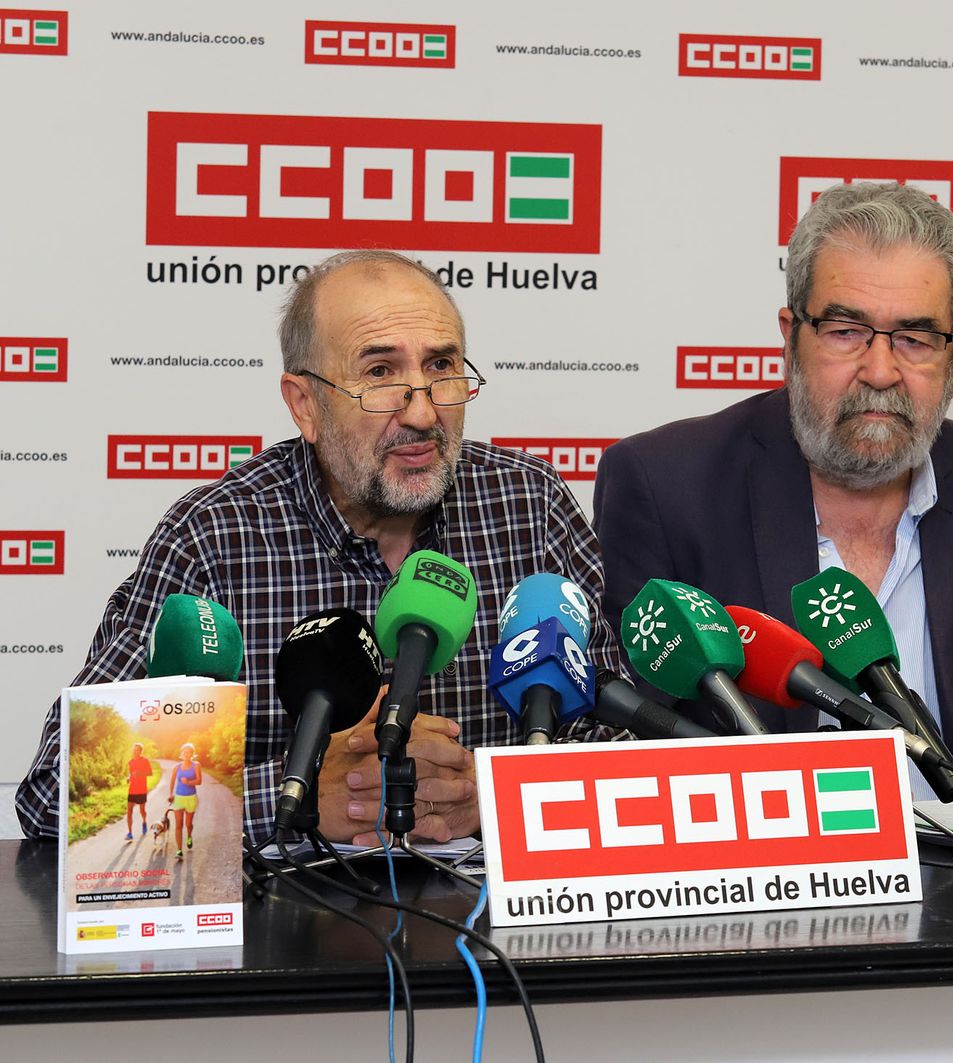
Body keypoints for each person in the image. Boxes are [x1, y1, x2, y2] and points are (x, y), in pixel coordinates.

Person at [17, 250, 626, 847]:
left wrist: (501, 795)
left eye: (441, 367)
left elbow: (635, 747)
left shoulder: (528, 504)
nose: (421, 411)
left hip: (488, 928)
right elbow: (63, 801)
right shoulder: (218, 537)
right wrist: (299, 792)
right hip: (287, 927)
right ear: (304, 404)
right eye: (381, 373)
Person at [593, 182, 953, 799]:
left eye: (916, 338)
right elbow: (637, 732)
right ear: (790, 335)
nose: (880, 372)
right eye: (846, 330)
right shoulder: (665, 485)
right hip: (763, 879)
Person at [167, 742, 202, 858]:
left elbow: (199, 781)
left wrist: (189, 782)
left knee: (188, 824)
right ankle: (179, 850)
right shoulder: (176, 767)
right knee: (178, 825)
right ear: (182, 753)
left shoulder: (196, 765)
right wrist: (171, 794)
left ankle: (189, 836)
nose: (186, 754)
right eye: (185, 752)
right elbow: (172, 782)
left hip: (191, 798)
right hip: (178, 798)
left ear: (192, 754)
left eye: (189, 752)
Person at [124, 742, 153, 840]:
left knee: (142, 810)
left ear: (140, 751)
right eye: (134, 750)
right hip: (132, 790)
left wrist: (140, 773)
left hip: (141, 790)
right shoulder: (131, 762)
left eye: (137, 750)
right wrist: (129, 777)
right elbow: (130, 773)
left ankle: (144, 822)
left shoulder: (145, 761)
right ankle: (130, 833)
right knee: (129, 811)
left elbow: (150, 773)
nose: (135, 751)